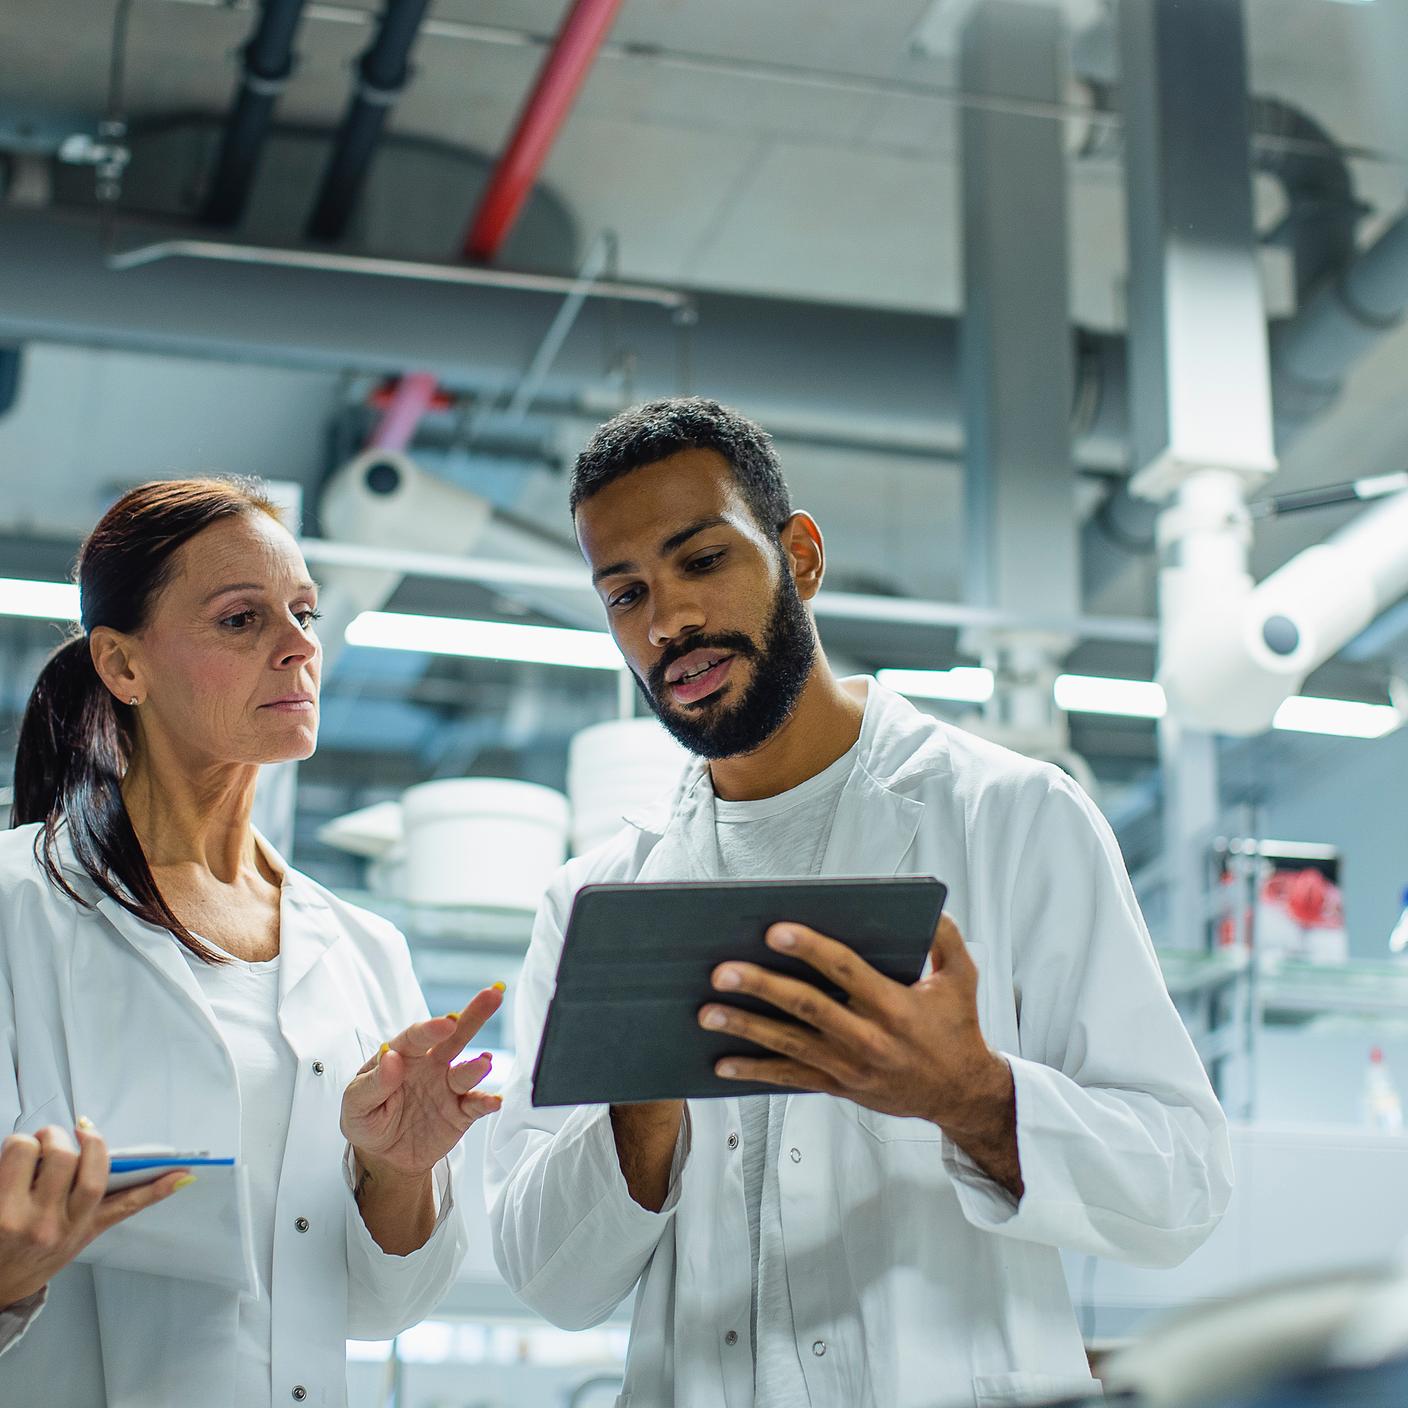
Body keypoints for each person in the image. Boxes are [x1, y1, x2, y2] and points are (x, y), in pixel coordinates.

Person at [487, 399, 1234, 1408]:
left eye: (701, 560)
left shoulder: (1011, 818)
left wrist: (968, 1095)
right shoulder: (596, 905)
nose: (667, 623)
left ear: (798, 556)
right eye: (625, 593)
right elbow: (550, 1279)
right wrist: (638, 1111)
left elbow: (1180, 1187)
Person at [0, 477, 505, 1408]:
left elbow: (380, 1307)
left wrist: (397, 1172)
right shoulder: (16, 903)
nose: (299, 645)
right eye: (242, 620)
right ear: (122, 666)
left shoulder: (362, 947)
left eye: (304, 612)